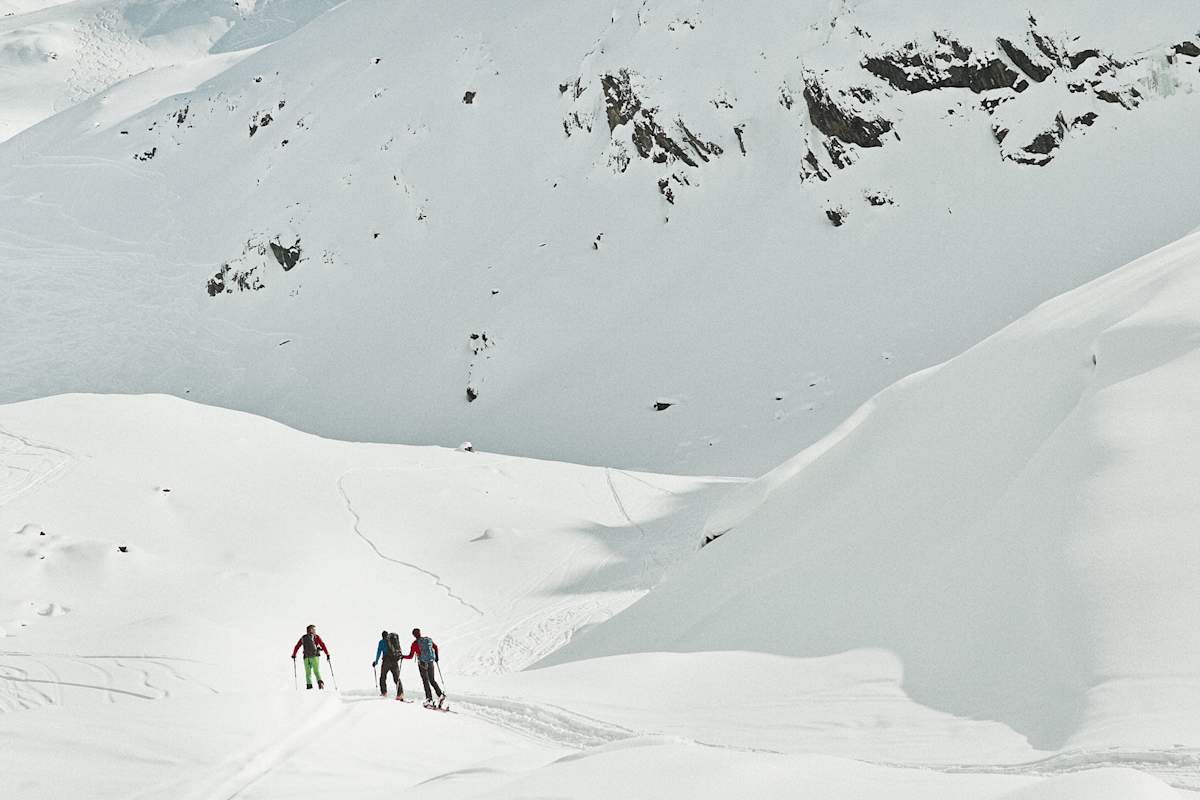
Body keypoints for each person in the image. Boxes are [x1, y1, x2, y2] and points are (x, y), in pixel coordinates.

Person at [402, 627, 444, 707]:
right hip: (430, 662)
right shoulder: (428, 640)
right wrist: (436, 657)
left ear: (414, 635)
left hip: (422, 664)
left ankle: (429, 699)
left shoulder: (414, 644)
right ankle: (440, 695)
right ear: (420, 633)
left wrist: (403, 656)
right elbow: (435, 647)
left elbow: (410, 656)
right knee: (432, 680)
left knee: (425, 681)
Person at [291, 624, 330, 689]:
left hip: (306, 658)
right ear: (311, 630)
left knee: (308, 673)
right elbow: (322, 644)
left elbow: (297, 646)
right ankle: (320, 683)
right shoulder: (316, 637)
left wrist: (294, 655)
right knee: (316, 671)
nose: (315, 631)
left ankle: (309, 687)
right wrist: (327, 653)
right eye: (314, 629)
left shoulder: (303, 638)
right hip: (315, 656)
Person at [373, 630, 405, 700]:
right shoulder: (393, 641)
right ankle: (400, 694)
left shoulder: (381, 642)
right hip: (394, 661)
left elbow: (379, 652)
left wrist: (376, 662)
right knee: (396, 678)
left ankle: (384, 693)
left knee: (383, 677)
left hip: (386, 661)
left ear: (382, 636)